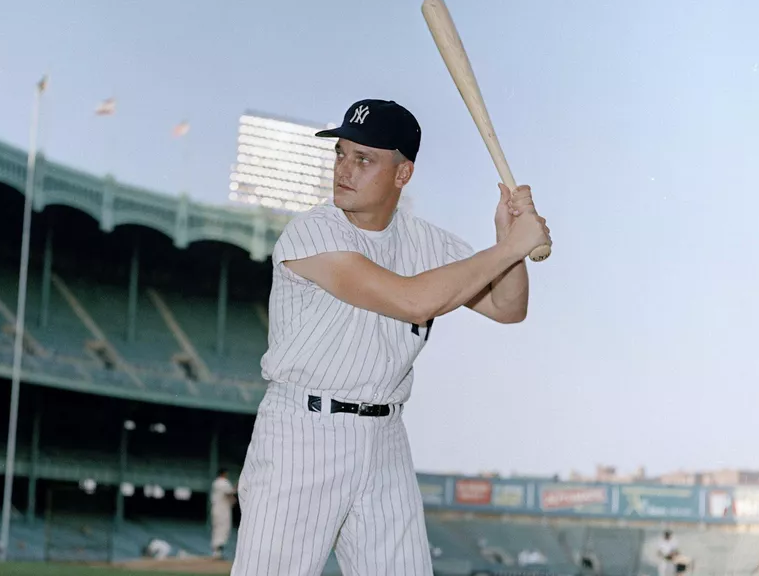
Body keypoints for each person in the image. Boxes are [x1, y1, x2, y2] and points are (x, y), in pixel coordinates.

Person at [230, 99, 551, 576]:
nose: (344, 169)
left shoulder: (428, 242)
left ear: (403, 175)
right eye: (341, 153)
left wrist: (511, 250)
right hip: (303, 432)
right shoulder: (311, 233)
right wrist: (506, 248)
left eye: (364, 159)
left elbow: (509, 308)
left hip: (385, 437)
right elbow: (413, 300)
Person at [210, 467, 237, 559]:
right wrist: (238, 485)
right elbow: (230, 493)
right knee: (222, 530)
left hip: (217, 509)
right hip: (222, 510)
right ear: (223, 474)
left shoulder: (216, 482)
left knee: (218, 530)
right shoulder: (223, 482)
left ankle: (217, 553)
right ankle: (217, 553)